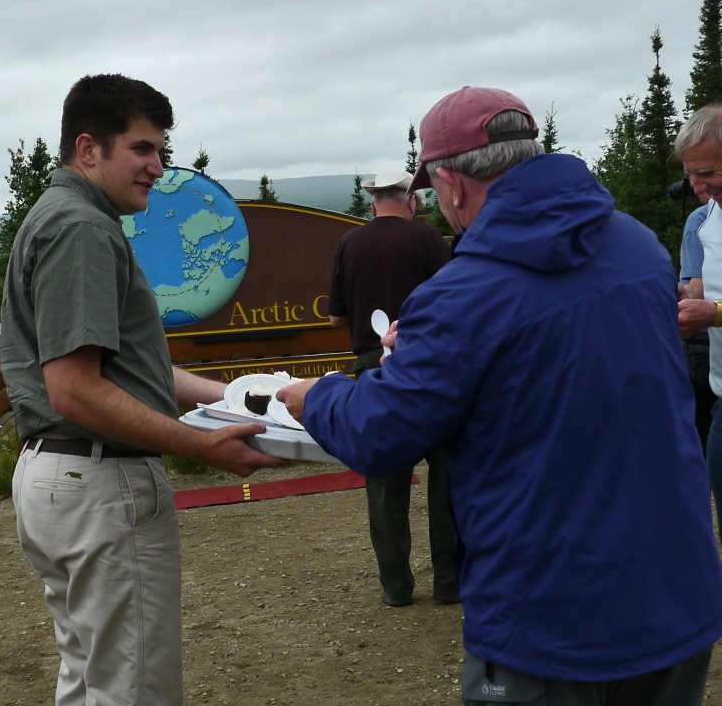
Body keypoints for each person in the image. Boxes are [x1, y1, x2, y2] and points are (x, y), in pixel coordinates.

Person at [278, 86, 722, 705]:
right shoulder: (639, 246)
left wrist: (318, 394)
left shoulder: (462, 294)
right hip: (674, 595)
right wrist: (432, 350)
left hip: (548, 618)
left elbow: (380, 434)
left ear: (455, 185)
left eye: (434, 191)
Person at [0, 73, 284, 706]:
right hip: (100, 483)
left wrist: (240, 400)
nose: (159, 166)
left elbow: (126, 371)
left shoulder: (64, 217)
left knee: (93, 680)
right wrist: (200, 447)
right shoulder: (83, 230)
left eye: (162, 150)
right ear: (89, 148)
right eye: (142, 149)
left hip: (63, 479)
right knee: (132, 690)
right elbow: (74, 390)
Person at [327, 171, 458, 607]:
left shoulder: (349, 243)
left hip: (372, 370)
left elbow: (336, 318)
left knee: (384, 481)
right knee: (447, 477)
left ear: (372, 204)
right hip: (431, 367)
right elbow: (454, 300)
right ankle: (449, 583)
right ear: (412, 202)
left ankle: (397, 588)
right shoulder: (425, 239)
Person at [676, 103, 722, 540]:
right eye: (691, 175)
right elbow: (699, 288)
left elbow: (715, 306)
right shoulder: (706, 220)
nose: (698, 187)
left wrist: (715, 314)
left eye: (706, 172)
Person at [678, 191, 714, 456]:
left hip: (706, 346)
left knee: (700, 442)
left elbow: (696, 288)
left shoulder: (700, 219)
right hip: (709, 347)